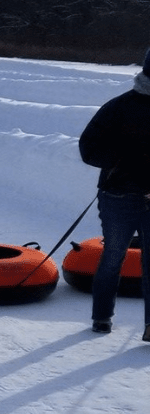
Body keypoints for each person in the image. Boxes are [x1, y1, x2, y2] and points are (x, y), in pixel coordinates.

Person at [78, 47, 150, 337]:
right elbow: (88, 148)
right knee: (113, 257)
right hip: (118, 197)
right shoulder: (119, 107)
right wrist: (121, 160)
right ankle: (101, 317)